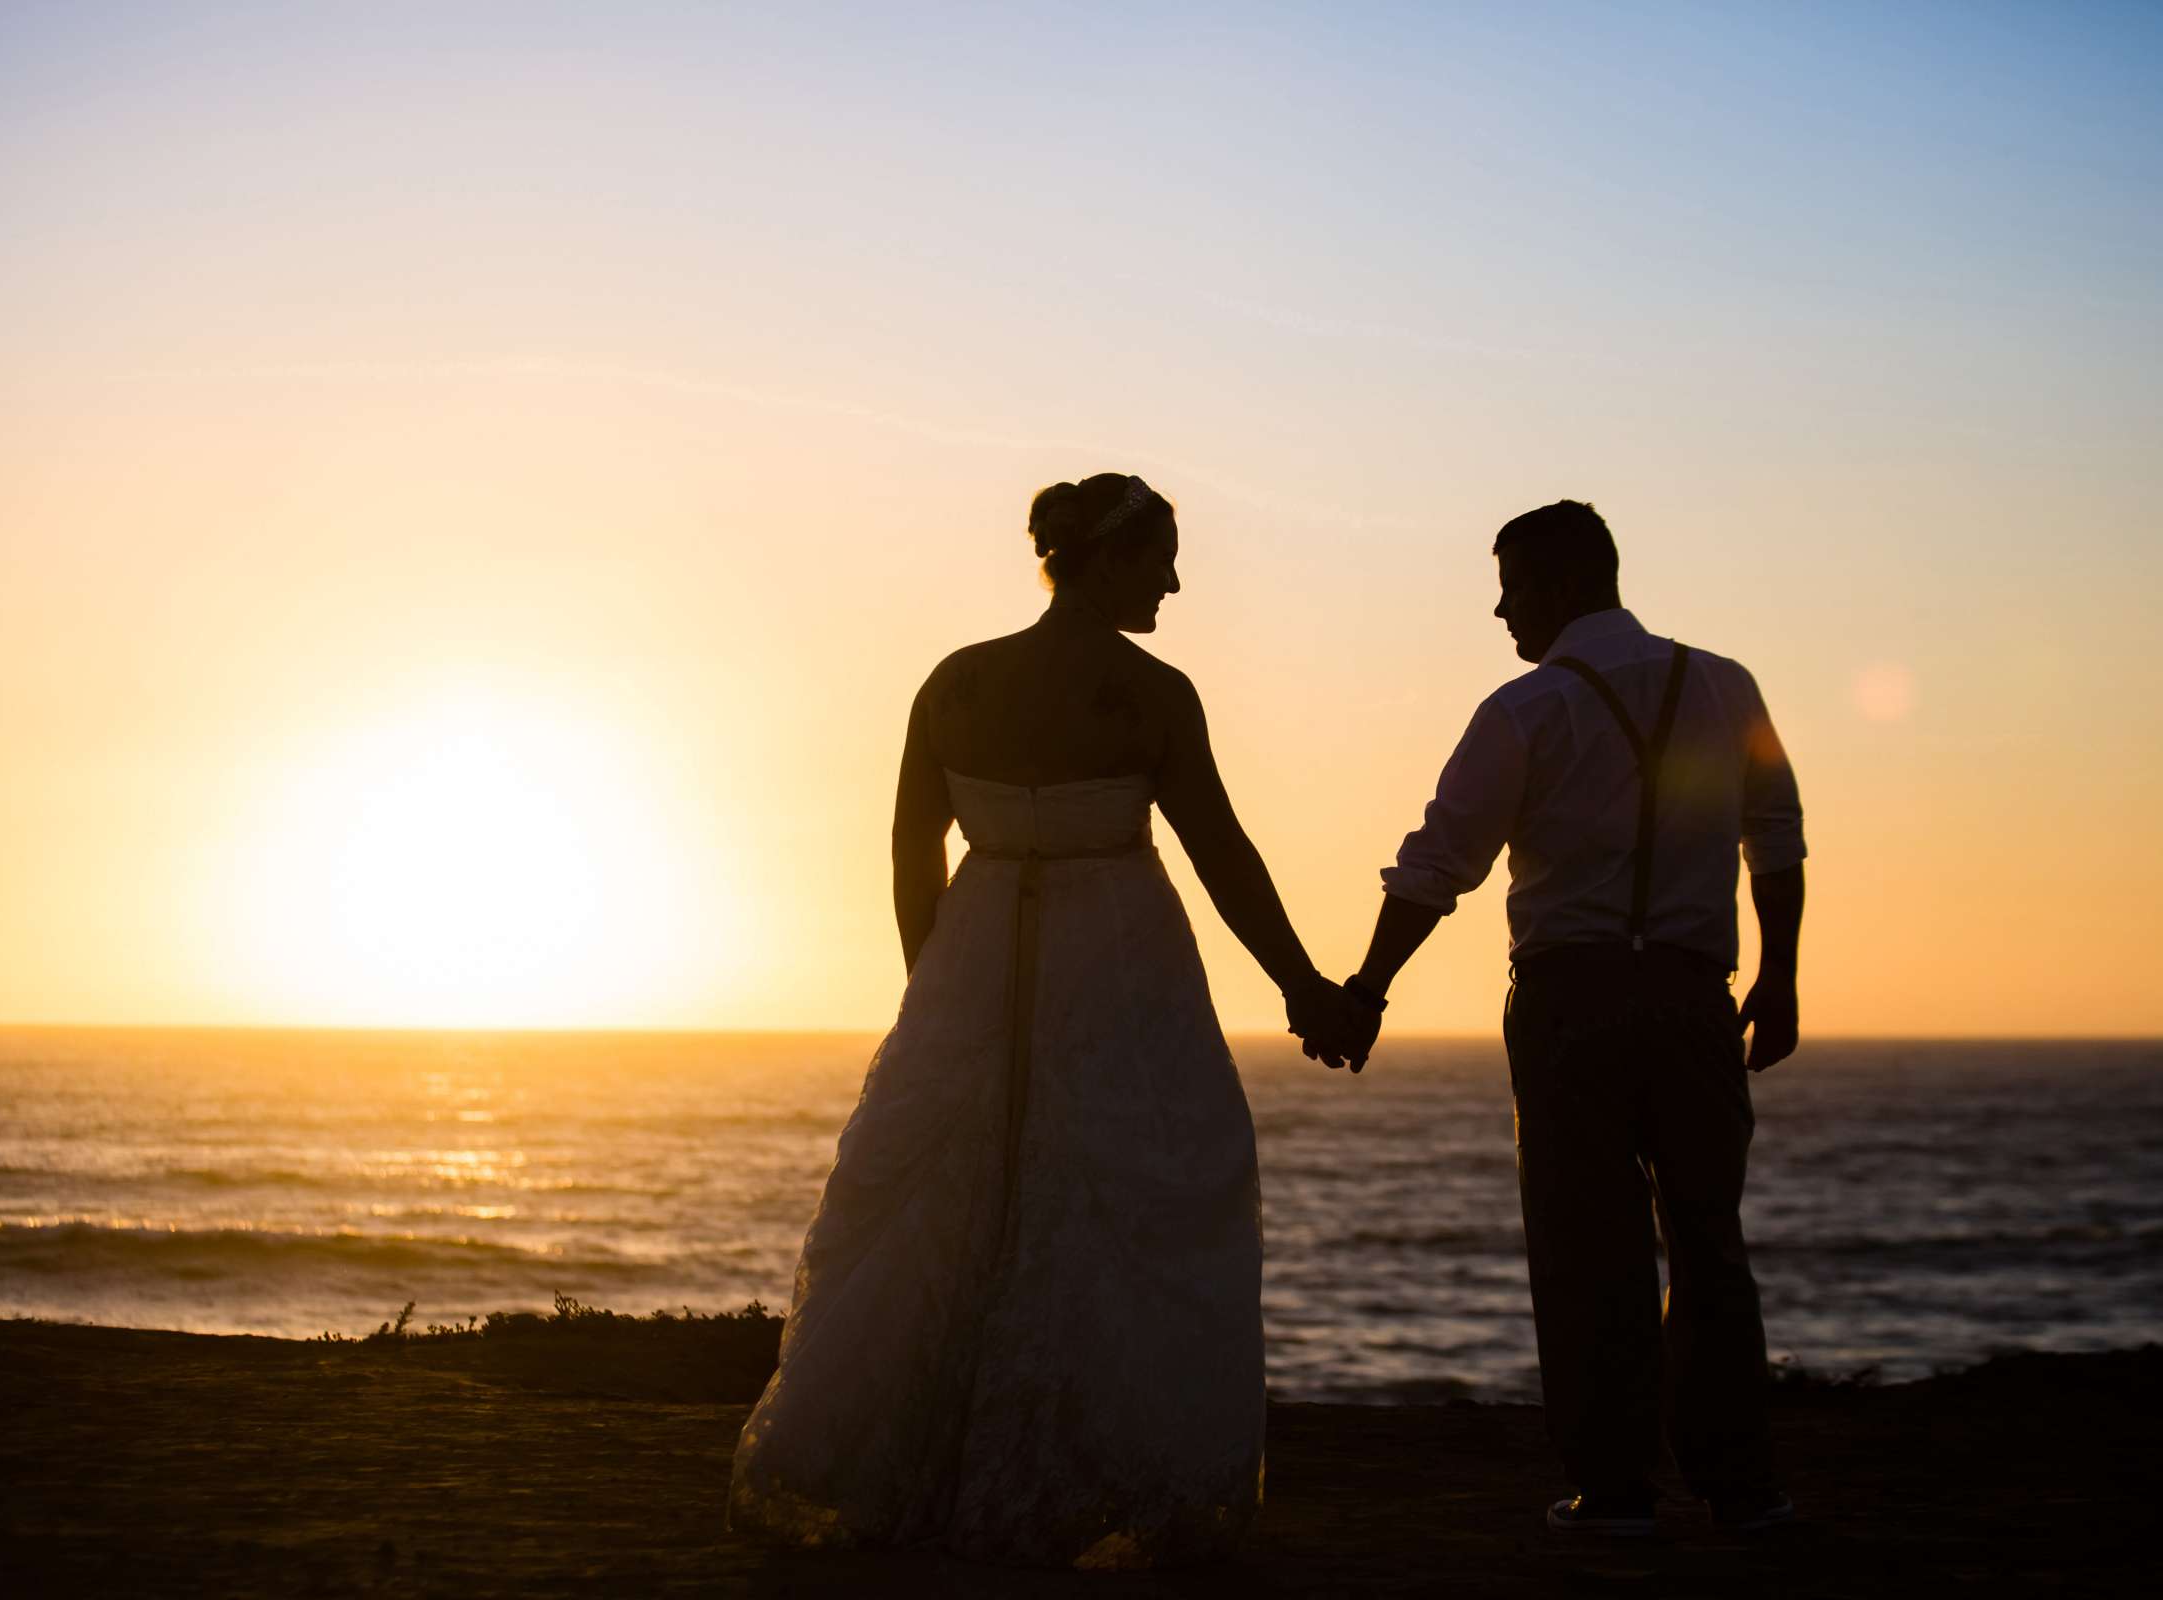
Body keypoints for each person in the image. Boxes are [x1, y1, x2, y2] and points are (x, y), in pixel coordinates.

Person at [729, 472, 1362, 1569]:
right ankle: (1109, 1471)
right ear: (1107, 561)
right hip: (1117, 957)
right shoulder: (1153, 692)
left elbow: (910, 846)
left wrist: (934, 987)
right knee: (1141, 1184)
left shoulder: (955, 682)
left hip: (972, 950)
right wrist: (1304, 985)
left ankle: (896, 1462)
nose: (1174, 580)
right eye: (1161, 558)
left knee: (943, 1194)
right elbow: (1221, 854)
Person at [1315, 499, 1805, 1537]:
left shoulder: (1524, 710)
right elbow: (1777, 839)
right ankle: (1742, 1485)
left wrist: (1366, 990)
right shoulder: (1726, 685)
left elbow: (1437, 865)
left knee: (1588, 1249)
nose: (1501, 609)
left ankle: (1618, 1492)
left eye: (1513, 586)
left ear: (1564, 585)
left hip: (1569, 1005)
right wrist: (1783, 976)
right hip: (1693, 997)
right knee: (1710, 1238)